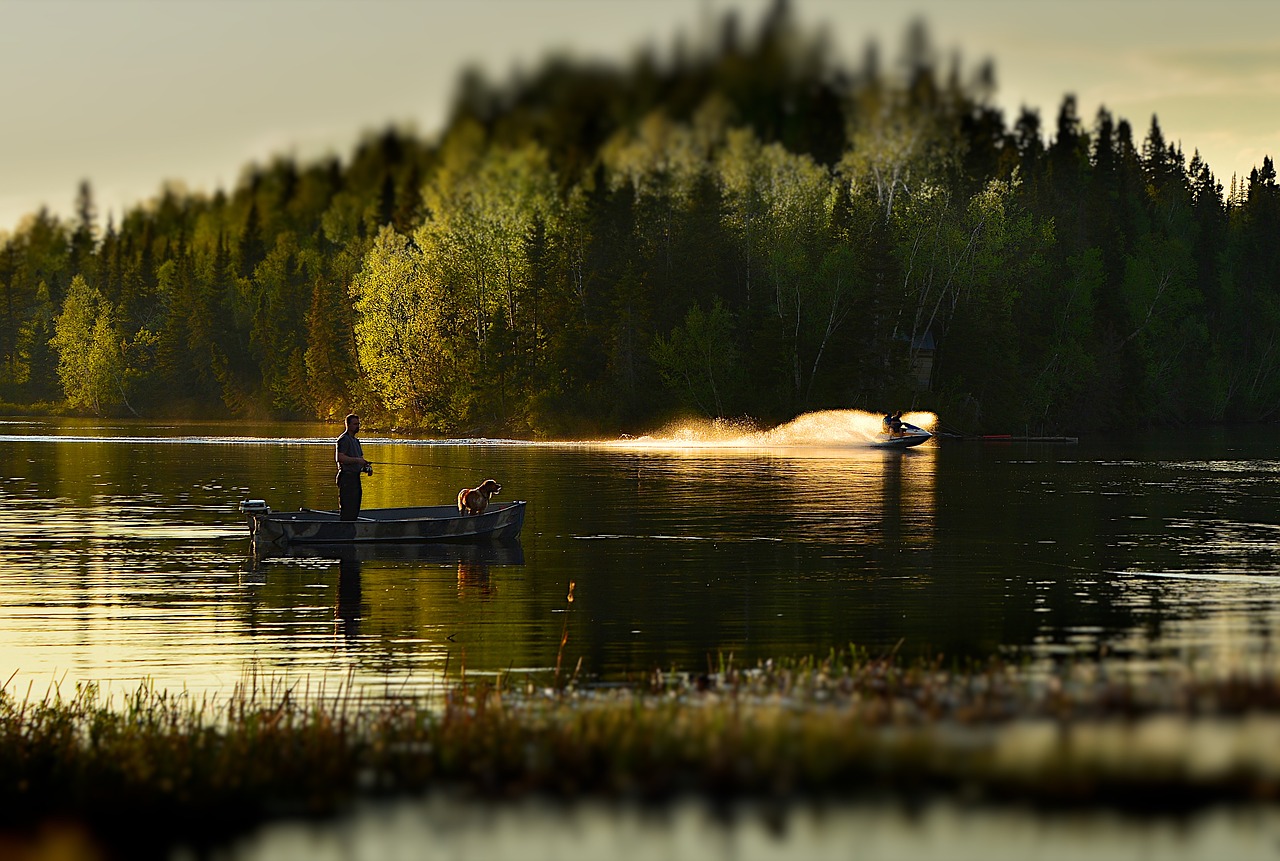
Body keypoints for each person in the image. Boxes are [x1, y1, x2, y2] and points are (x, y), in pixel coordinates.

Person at [335, 413, 372, 521]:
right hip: (346, 477)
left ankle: (353, 528)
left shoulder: (356, 441)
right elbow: (340, 458)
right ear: (348, 425)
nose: (358, 426)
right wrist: (357, 460)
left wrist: (366, 467)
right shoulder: (343, 439)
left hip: (355, 478)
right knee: (347, 508)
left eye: (358, 424)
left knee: (355, 507)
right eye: (355, 424)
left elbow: (360, 460)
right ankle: (345, 531)